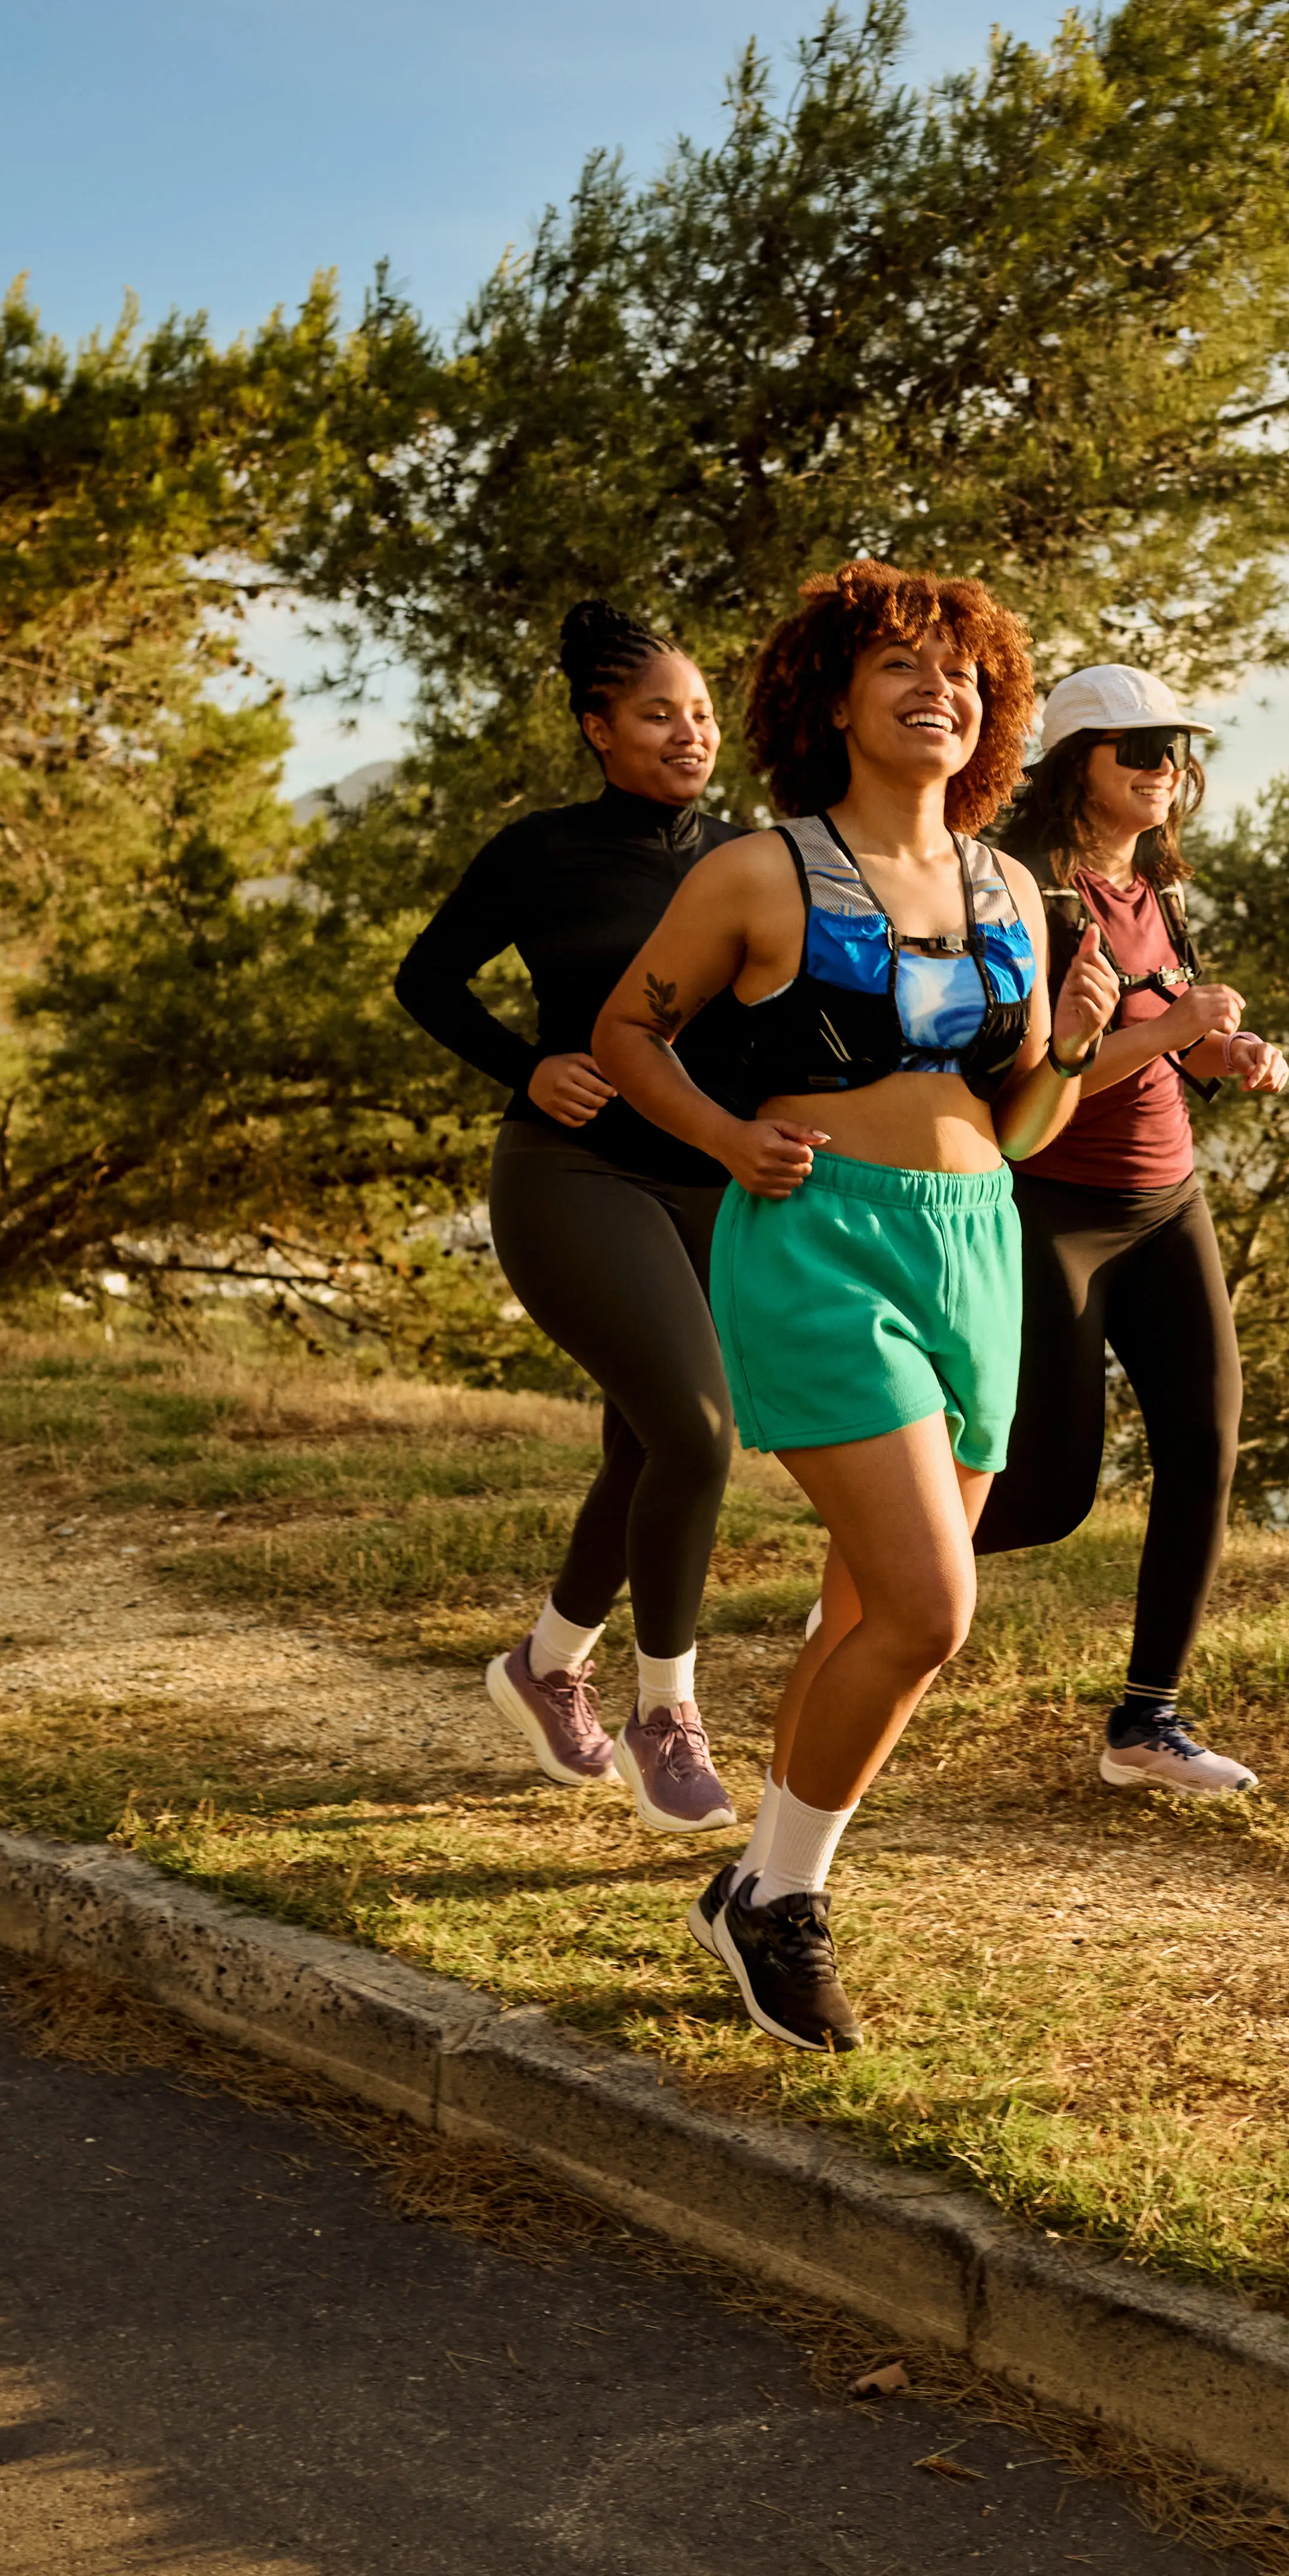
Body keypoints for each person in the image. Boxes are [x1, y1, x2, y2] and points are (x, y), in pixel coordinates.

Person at [592, 560, 1117, 2052]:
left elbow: (1018, 1132)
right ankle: (785, 1903)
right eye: (897, 663)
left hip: (976, 1243)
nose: (933, 686)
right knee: (932, 1608)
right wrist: (718, 1136)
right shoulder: (759, 871)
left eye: (959, 669)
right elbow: (627, 1032)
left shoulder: (1015, 887)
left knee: (864, 1608)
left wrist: (1070, 1049)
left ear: (990, 710)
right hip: (818, 1240)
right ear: (832, 697)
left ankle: (750, 1881)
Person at [392, 601, 743, 1838]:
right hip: (574, 1172)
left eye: (700, 712)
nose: (689, 733)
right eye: (657, 714)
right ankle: (667, 1712)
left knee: (647, 1447)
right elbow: (425, 976)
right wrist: (523, 1065)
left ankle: (544, 1667)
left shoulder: (748, 857)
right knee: (700, 1435)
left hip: (711, 1181)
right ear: (599, 730)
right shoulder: (541, 851)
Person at [973, 663, 1289, 1796]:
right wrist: (1177, 1036)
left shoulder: (1151, 886)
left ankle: (1147, 1724)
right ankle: (889, 1574)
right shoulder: (1030, 895)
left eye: (1175, 749)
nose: (1167, 768)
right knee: (1052, 1491)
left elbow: (1174, 1032)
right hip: (1053, 1208)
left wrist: (1229, 1050)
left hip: (1168, 1201)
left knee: (1205, 1448)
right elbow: (1039, 1083)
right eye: (1140, 750)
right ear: (1075, 768)